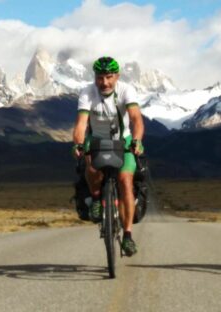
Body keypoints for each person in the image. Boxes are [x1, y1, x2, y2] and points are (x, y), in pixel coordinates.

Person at [72, 56, 145, 257]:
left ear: (117, 76)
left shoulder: (126, 91)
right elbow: (81, 123)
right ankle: (97, 199)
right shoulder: (87, 92)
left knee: (125, 180)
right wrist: (78, 143)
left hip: (124, 141)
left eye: (109, 77)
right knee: (91, 168)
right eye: (100, 77)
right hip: (96, 139)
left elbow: (136, 119)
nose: (104, 82)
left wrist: (137, 140)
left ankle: (128, 236)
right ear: (94, 77)